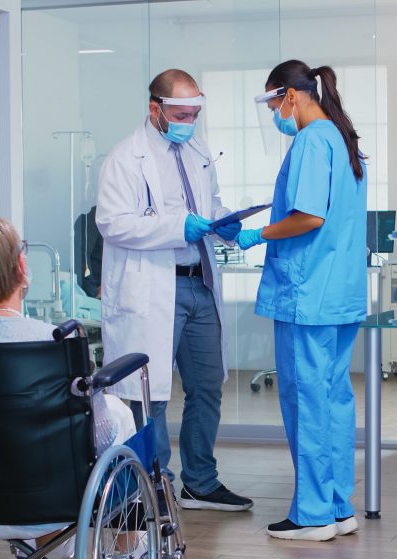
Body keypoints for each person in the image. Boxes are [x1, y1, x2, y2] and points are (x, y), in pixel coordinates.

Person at [0, 215, 137, 554]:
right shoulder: (52, 343)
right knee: (118, 415)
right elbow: (98, 438)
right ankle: (128, 550)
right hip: (46, 507)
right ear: (21, 266)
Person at [96, 69, 252, 511]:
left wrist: (226, 225)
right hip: (152, 290)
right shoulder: (126, 158)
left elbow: (209, 204)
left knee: (207, 386)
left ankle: (200, 482)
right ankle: (154, 487)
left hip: (198, 283)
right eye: (181, 114)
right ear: (155, 108)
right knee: (154, 394)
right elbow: (112, 222)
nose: (189, 122)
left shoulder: (196, 150)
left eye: (194, 114)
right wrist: (176, 227)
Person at [236, 60, 367, 541]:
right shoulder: (340, 137)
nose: (274, 112)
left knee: (307, 402)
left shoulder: (312, 141)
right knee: (332, 400)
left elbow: (309, 216)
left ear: (291, 95)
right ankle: (337, 507)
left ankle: (312, 515)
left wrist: (256, 234)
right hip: (338, 294)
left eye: (274, 102)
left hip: (307, 294)